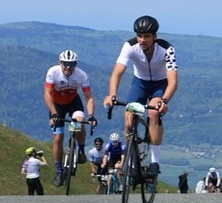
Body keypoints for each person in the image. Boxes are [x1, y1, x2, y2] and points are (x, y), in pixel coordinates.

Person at [103, 15, 177, 182]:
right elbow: (117, 72)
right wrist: (112, 94)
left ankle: (155, 162)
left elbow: (173, 81)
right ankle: (134, 160)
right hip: (140, 83)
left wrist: (164, 100)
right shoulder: (130, 46)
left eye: (147, 36)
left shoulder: (167, 49)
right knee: (129, 121)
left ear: (154, 36)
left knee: (154, 112)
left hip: (160, 84)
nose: (142, 40)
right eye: (139, 36)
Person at [44, 50, 95, 185]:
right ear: (60, 63)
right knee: (58, 137)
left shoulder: (81, 75)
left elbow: (89, 97)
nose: (68, 67)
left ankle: (81, 151)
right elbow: (48, 94)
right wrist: (53, 113)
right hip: (57, 106)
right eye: (65, 64)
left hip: (73, 103)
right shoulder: (53, 72)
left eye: (71, 64)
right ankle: (59, 171)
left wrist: (91, 116)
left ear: (75, 64)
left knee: (78, 124)